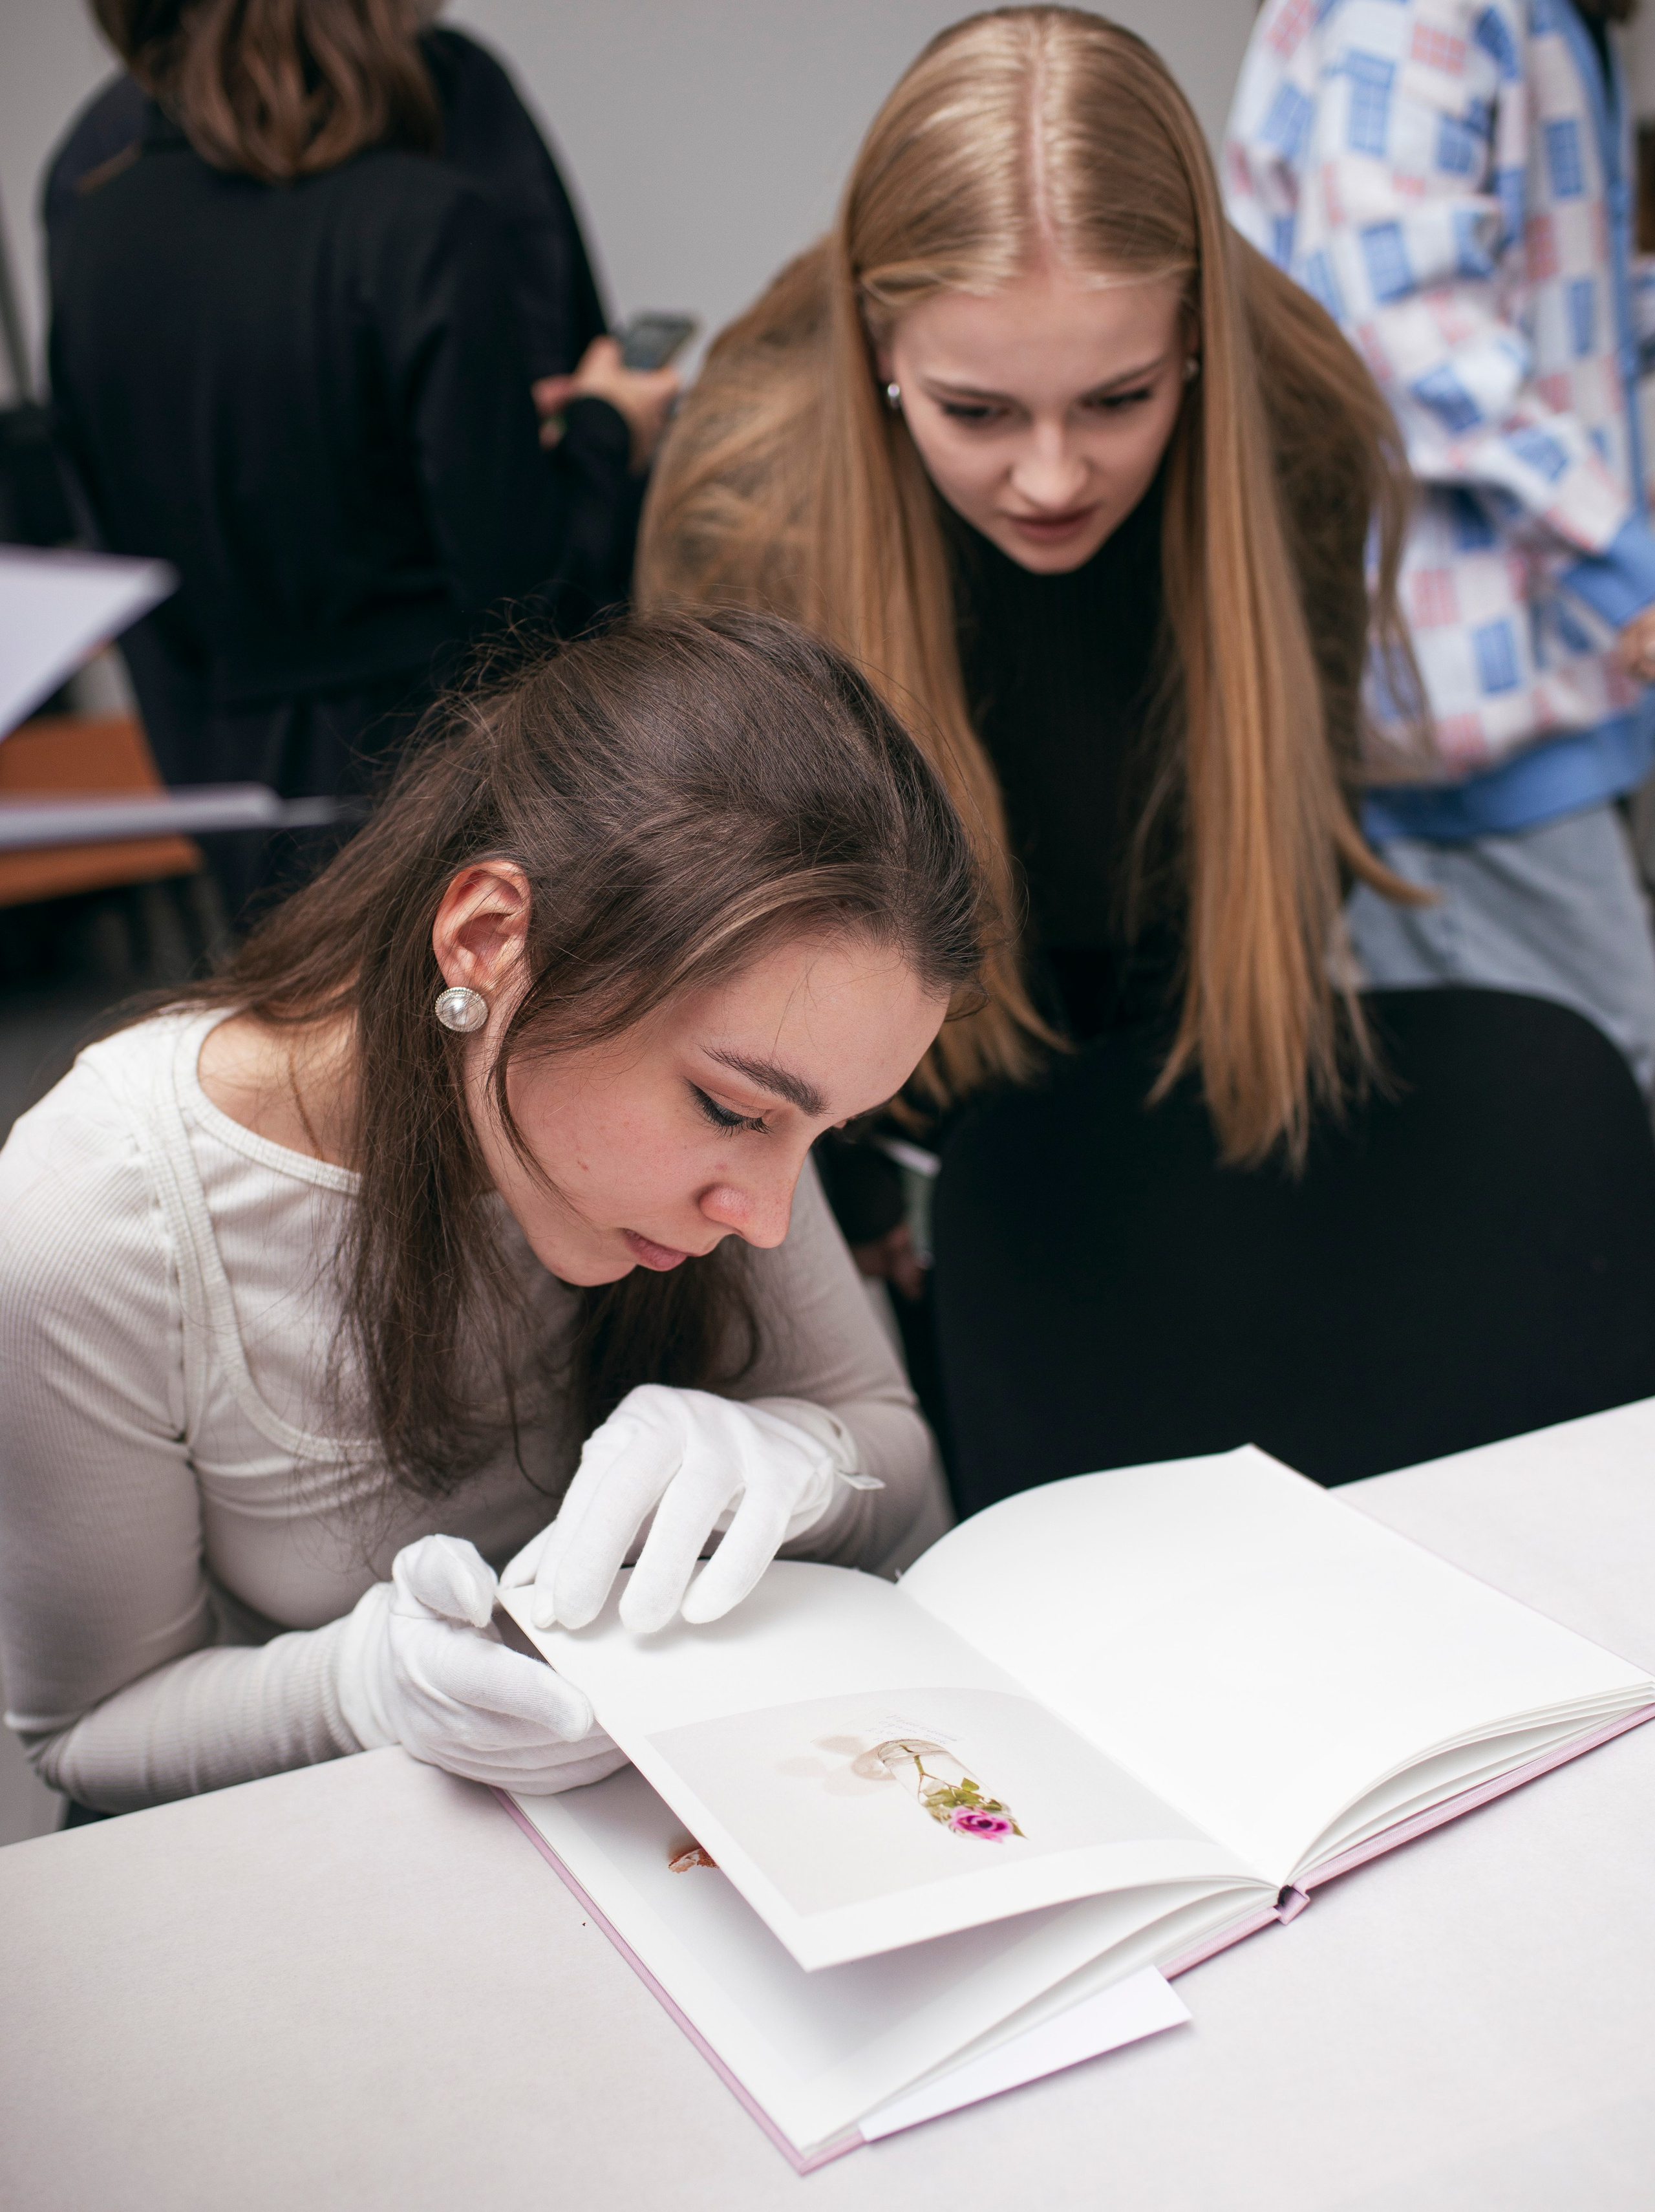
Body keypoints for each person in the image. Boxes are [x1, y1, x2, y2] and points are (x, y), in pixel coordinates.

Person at [0, 612, 979, 1816]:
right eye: (730, 1111)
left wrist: (801, 1461)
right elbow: (85, 1731)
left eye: (819, 1134)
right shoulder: (91, 1220)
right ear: (488, 938)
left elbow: (892, 1449)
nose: (768, 1218)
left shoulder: (755, 1073)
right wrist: (361, 1690)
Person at [638, 3, 1419, 1261]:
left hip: (1194, 1020)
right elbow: (738, 922)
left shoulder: (1300, 416)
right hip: (875, 1095)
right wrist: (855, 1196)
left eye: (1118, 399)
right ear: (878, 347)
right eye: (977, 411)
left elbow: (1294, 809)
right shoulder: (752, 491)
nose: (1052, 479)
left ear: (1194, 342)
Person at [47, 0, 678, 921]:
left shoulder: (94, 240)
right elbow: (532, 600)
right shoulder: (425, 222)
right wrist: (606, 431)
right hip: (446, 794)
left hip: (245, 807)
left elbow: (140, 566)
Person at [1226, 0, 1655, 1091]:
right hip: (1461, 723)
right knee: (1581, 1101)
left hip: (1517, 689)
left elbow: (1540, 291)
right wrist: (1627, 568)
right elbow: (1404, 336)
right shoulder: (1416, 6)